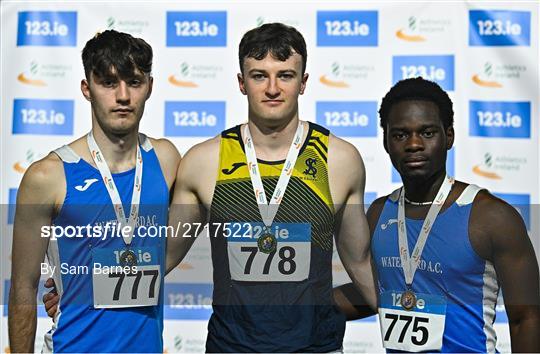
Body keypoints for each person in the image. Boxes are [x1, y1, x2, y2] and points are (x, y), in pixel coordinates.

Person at [165, 22, 377, 352]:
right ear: (241, 83)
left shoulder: (339, 159)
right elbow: (161, 256)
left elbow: (360, 263)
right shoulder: (204, 161)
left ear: (303, 82)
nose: (273, 88)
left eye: (286, 75)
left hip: (315, 347)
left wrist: (420, 307)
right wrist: (80, 287)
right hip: (230, 347)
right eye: (259, 75)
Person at [337, 77, 540, 352]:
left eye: (427, 132)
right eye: (400, 135)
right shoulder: (379, 214)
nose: (414, 144)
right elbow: (369, 293)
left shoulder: (492, 218)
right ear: (385, 142)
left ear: (449, 136)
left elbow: (526, 319)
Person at [9, 30, 181, 353]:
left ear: (150, 87)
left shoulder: (166, 160)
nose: (123, 96)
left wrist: (83, 287)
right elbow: (22, 287)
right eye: (108, 82)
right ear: (87, 89)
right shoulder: (48, 176)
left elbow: (160, 253)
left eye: (134, 81)